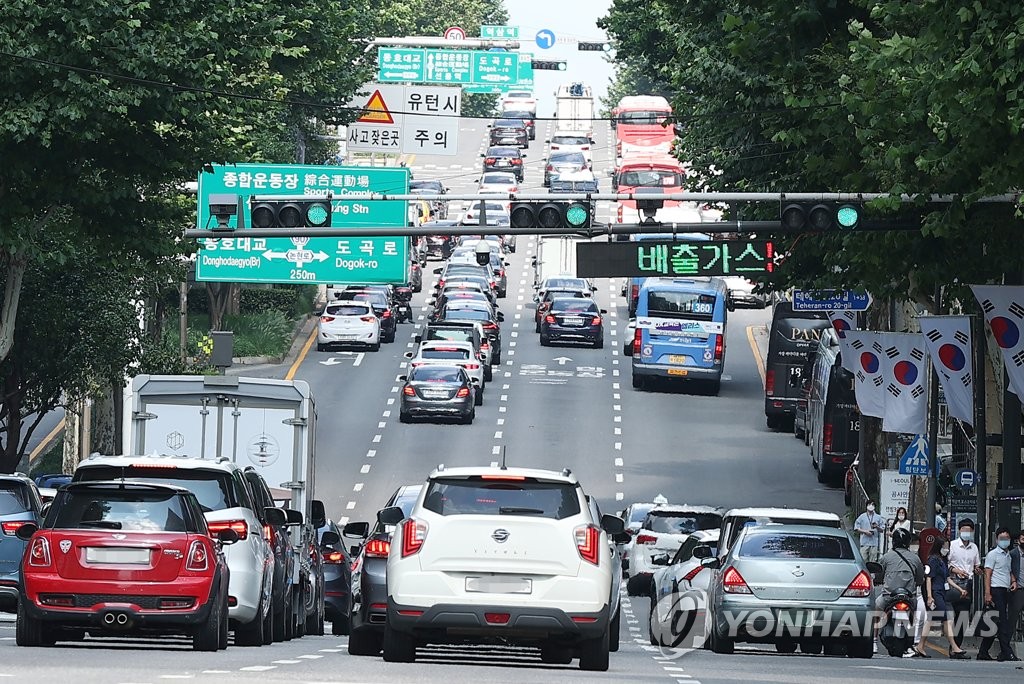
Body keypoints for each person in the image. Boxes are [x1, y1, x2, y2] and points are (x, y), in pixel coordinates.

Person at [916, 538, 971, 659]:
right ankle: (954, 647)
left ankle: (921, 645)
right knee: (945, 619)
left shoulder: (942, 560)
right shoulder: (933, 560)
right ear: (938, 546)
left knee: (931, 620)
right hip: (936, 593)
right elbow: (929, 579)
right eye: (945, 546)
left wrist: (959, 589)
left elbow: (947, 579)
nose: (946, 549)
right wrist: (930, 596)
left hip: (942, 592)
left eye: (948, 546)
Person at [876, 528, 924, 655]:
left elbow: (879, 576)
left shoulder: (886, 557)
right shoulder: (915, 558)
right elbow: (920, 579)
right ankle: (914, 643)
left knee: (875, 611)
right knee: (918, 616)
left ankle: (874, 641)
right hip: (910, 597)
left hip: (888, 597)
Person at [978, 527, 1019, 661]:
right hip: (996, 590)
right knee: (1002, 623)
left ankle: (983, 652)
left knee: (994, 623)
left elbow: (1008, 571)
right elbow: (987, 574)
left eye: (1007, 538)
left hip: (1005, 590)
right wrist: (987, 593)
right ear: (996, 540)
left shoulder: (1008, 555)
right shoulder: (993, 554)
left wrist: (1013, 580)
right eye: (1002, 539)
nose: (1004, 541)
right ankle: (1007, 652)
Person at [948, 518, 982, 649]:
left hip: (968, 584)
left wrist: (978, 570)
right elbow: (946, 565)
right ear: (959, 530)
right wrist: (956, 570)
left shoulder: (974, 547)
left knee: (963, 616)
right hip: (953, 583)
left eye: (969, 530)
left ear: (972, 531)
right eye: (964, 530)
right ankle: (953, 644)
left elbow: (976, 565)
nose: (966, 532)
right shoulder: (952, 545)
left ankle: (956, 647)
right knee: (951, 615)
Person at [1009, 530, 1024, 658]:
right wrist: (1013, 581)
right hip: (1018, 589)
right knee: (1012, 618)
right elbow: (1009, 569)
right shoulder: (1013, 554)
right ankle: (1007, 647)